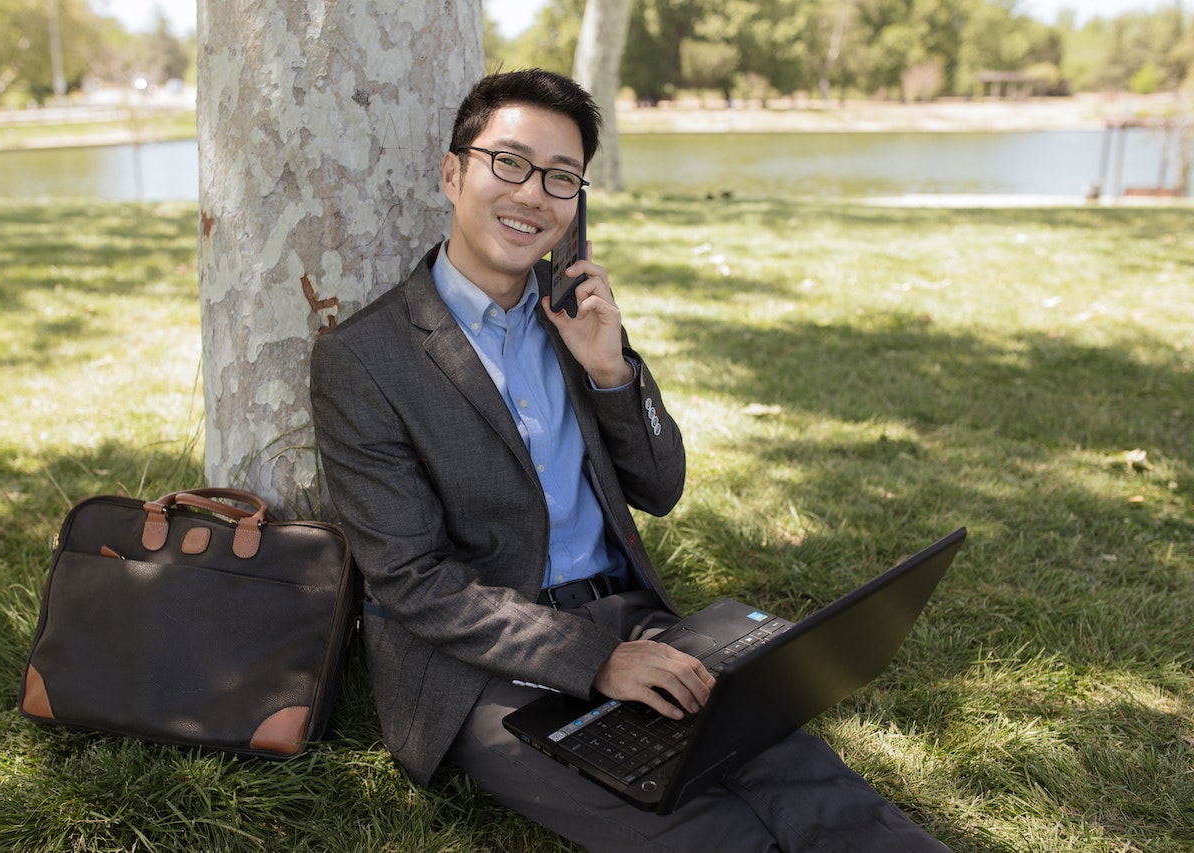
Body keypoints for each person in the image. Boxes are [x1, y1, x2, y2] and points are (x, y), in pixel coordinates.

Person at [310, 69, 949, 852]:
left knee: (790, 764)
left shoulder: (575, 316)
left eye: (561, 177)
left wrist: (611, 371)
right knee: (698, 825)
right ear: (453, 173)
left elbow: (661, 484)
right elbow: (411, 580)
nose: (533, 194)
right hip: (480, 668)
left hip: (628, 613)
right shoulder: (363, 359)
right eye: (507, 163)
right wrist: (596, 659)